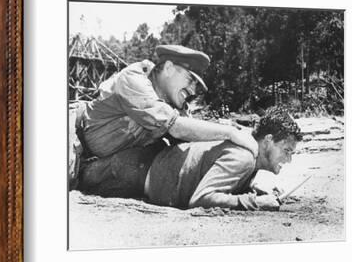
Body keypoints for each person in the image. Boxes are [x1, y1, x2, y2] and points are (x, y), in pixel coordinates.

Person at [77, 45, 258, 196]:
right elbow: (176, 127)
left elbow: (193, 142)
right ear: (169, 68)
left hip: (103, 161)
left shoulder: (176, 104)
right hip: (76, 139)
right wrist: (230, 132)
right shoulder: (134, 79)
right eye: (189, 79)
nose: (192, 90)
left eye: (196, 86)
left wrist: (244, 178)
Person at [144, 106, 303, 210]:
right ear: (268, 141)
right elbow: (201, 199)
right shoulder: (244, 157)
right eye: (286, 150)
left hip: (152, 167)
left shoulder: (250, 156)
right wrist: (256, 202)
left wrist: (255, 192)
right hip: (142, 175)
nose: (288, 159)